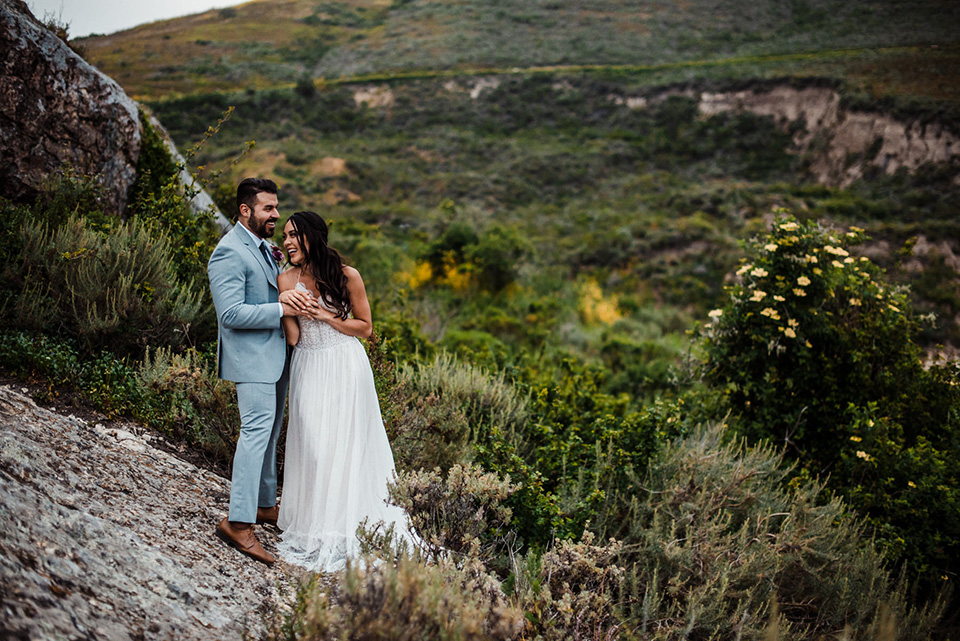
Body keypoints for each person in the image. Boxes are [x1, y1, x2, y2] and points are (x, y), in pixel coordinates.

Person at [275, 210, 413, 572]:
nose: (287, 242)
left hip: (345, 364)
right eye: (285, 235)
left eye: (294, 235)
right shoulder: (285, 278)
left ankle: (344, 526)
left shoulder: (347, 275)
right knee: (314, 444)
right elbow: (292, 337)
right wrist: (287, 308)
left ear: (314, 237)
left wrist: (325, 316)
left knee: (345, 444)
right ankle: (314, 525)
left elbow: (365, 328)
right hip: (308, 364)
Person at [207, 178, 316, 565]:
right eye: (268, 208)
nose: (275, 214)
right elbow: (231, 315)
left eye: (276, 207)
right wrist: (282, 309)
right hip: (251, 360)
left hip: (276, 358)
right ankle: (238, 522)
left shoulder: (265, 249)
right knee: (254, 432)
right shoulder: (229, 252)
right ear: (245, 210)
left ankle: (265, 504)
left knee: (270, 433)